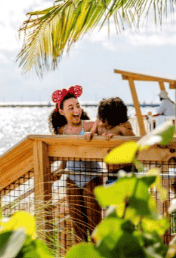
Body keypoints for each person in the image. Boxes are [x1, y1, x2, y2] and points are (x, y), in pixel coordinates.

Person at [49, 85, 102, 244]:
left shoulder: (86, 125)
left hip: (90, 177)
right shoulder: (61, 131)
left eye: (78, 106)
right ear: (62, 112)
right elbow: (65, 154)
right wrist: (60, 168)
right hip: (72, 178)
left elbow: (101, 123)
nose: (76, 109)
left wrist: (94, 132)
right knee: (77, 224)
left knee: (93, 224)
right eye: (70, 107)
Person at [85, 97, 136, 184]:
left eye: (104, 118)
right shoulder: (98, 123)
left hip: (127, 171)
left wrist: (117, 137)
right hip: (111, 172)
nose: (102, 121)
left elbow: (134, 140)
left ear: (114, 118)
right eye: (100, 117)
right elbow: (92, 134)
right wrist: (90, 134)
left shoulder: (123, 125)